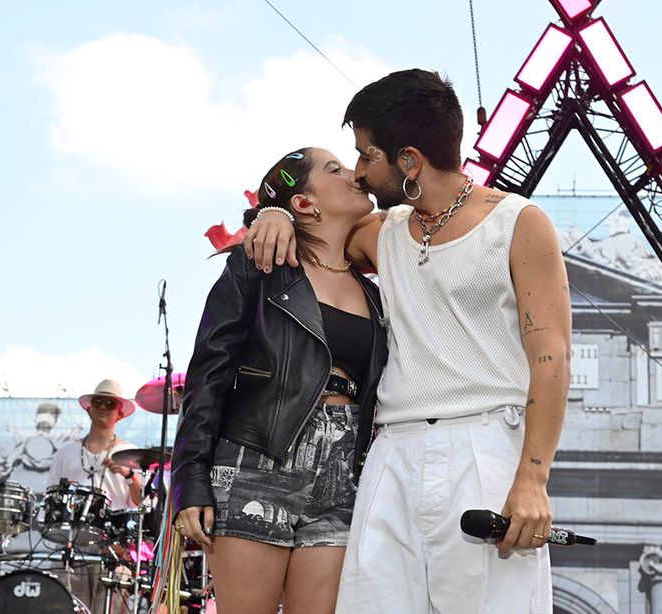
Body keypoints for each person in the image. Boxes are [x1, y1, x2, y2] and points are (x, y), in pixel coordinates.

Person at [244, 69, 572, 613]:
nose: (357, 172)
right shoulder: (382, 231)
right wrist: (276, 210)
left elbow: (551, 355)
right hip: (391, 454)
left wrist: (532, 481)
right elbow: (316, 227)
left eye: (367, 156)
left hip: (485, 445)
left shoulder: (519, 223)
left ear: (410, 161)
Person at [171, 147, 389, 614]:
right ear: (306, 203)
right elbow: (207, 376)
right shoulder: (259, 266)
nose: (354, 174)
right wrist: (189, 478)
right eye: (335, 169)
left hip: (342, 473)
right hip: (256, 464)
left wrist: (271, 210)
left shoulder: (373, 292)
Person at [47, 379, 143, 614]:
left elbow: (143, 503)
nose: (102, 406)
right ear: (88, 408)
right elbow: (50, 500)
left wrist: (129, 475)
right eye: (97, 401)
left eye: (109, 403)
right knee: (65, 608)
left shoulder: (131, 454)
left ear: (119, 414)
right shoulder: (66, 452)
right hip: (71, 546)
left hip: (112, 549)